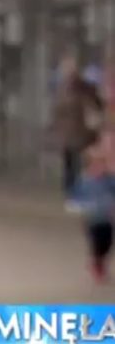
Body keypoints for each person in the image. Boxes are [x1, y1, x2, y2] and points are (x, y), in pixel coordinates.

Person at [53, 53, 103, 206]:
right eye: (65, 68)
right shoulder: (62, 87)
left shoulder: (82, 86)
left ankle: (81, 192)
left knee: (81, 163)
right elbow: (58, 110)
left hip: (80, 132)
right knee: (70, 164)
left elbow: (95, 103)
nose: (66, 71)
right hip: (68, 132)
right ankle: (71, 193)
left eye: (68, 68)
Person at [75, 137, 115, 282]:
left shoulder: (109, 180)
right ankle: (97, 265)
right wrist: (79, 207)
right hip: (92, 219)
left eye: (102, 164)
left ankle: (100, 262)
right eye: (96, 164)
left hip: (107, 218)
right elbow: (78, 196)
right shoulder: (85, 181)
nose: (100, 168)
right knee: (96, 244)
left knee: (107, 243)